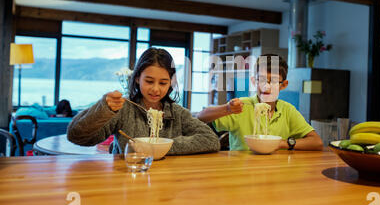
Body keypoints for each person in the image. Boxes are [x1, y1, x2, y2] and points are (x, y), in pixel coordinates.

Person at [68, 48, 220, 155]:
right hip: (127, 177)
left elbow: (211, 140)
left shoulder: (177, 113)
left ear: (170, 84)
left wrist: (162, 146)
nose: (155, 89)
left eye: (162, 83)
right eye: (149, 81)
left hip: (168, 180)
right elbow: (77, 136)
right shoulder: (123, 109)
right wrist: (103, 109)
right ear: (137, 78)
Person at [197, 54, 323, 151]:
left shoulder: (287, 110)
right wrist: (227, 109)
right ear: (254, 81)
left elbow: (317, 142)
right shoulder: (242, 105)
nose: (266, 86)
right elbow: (200, 117)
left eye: (273, 81)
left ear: (283, 85)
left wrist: (282, 143)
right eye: (261, 79)